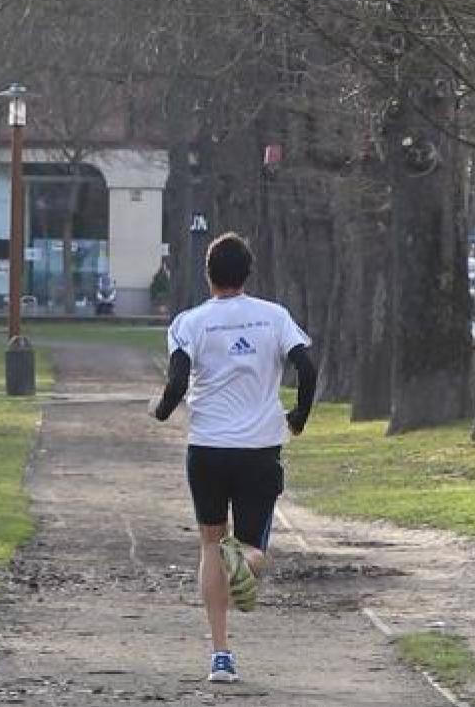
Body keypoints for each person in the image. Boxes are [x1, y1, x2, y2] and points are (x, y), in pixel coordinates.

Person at [148, 232, 317, 684]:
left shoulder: (190, 322)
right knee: (251, 548)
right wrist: (298, 414)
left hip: (206, 448)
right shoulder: (274, 317)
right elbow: (308, 366)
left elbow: (179, 380)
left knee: (209, 544)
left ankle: (220, 655)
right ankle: (245, 568)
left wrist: (161, 412)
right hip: (259, 449)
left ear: (209, 276)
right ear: (248, 273)